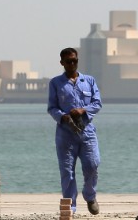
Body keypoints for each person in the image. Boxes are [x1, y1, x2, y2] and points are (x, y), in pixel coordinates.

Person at [47, 47, 102, 215]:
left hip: (87, 132)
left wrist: (83, 110)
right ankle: (70, 206)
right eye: (68, 61)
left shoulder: (89, 81)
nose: (72, 64)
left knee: (93, 164)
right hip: (65, 133)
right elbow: (52, 108)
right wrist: (63, 116)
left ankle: (90, 195)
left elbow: (97, 103)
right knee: (67, 171)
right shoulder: (56, 83)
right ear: (62, 63)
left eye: (75, 61)